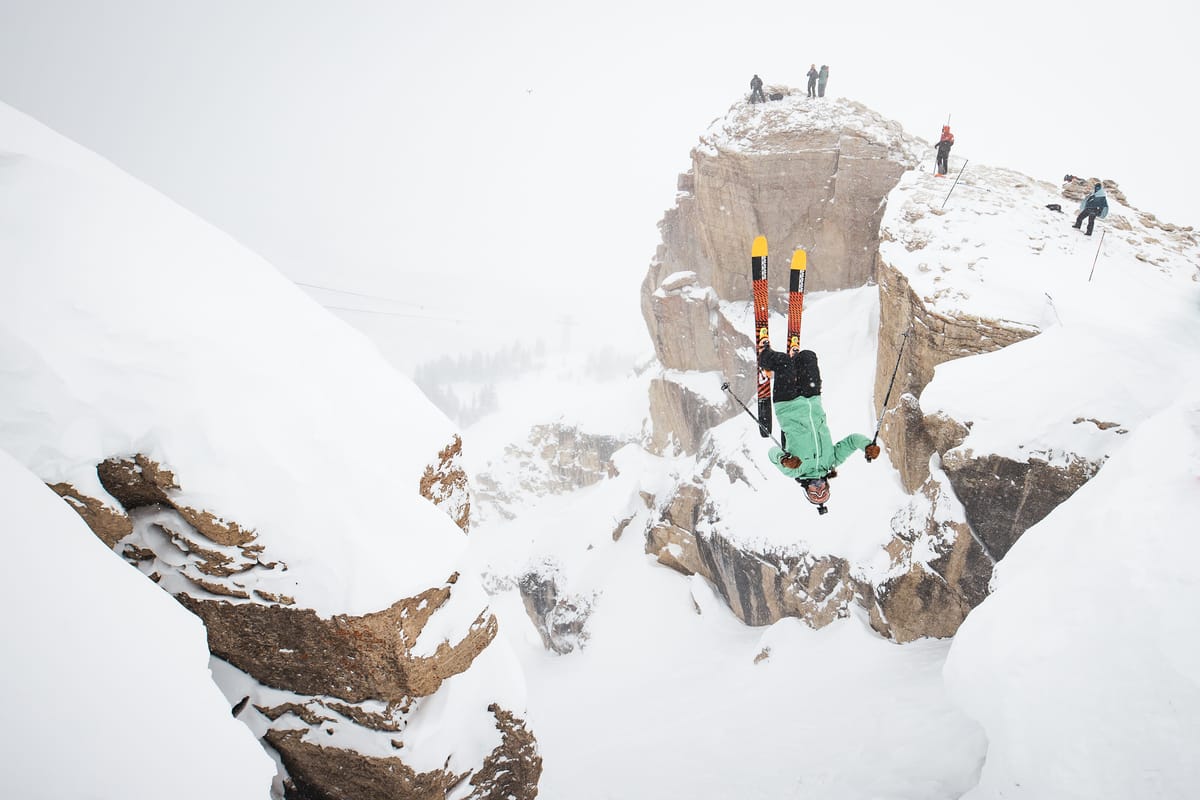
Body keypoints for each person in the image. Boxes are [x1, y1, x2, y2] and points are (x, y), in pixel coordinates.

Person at [757, 340, 878, 505]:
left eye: (815, 494)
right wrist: (867, 446)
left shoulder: (795, 470)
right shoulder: (831, 462)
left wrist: (784, 460)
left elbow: (772, 453)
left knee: (782, 362)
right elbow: (852, 441)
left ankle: (764, 358)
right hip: (812, 400)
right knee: (808, 356)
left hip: (787, 405)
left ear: (807, 490)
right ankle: (796, 363)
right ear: (828, 486)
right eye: (824, 492)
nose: (819, 489)